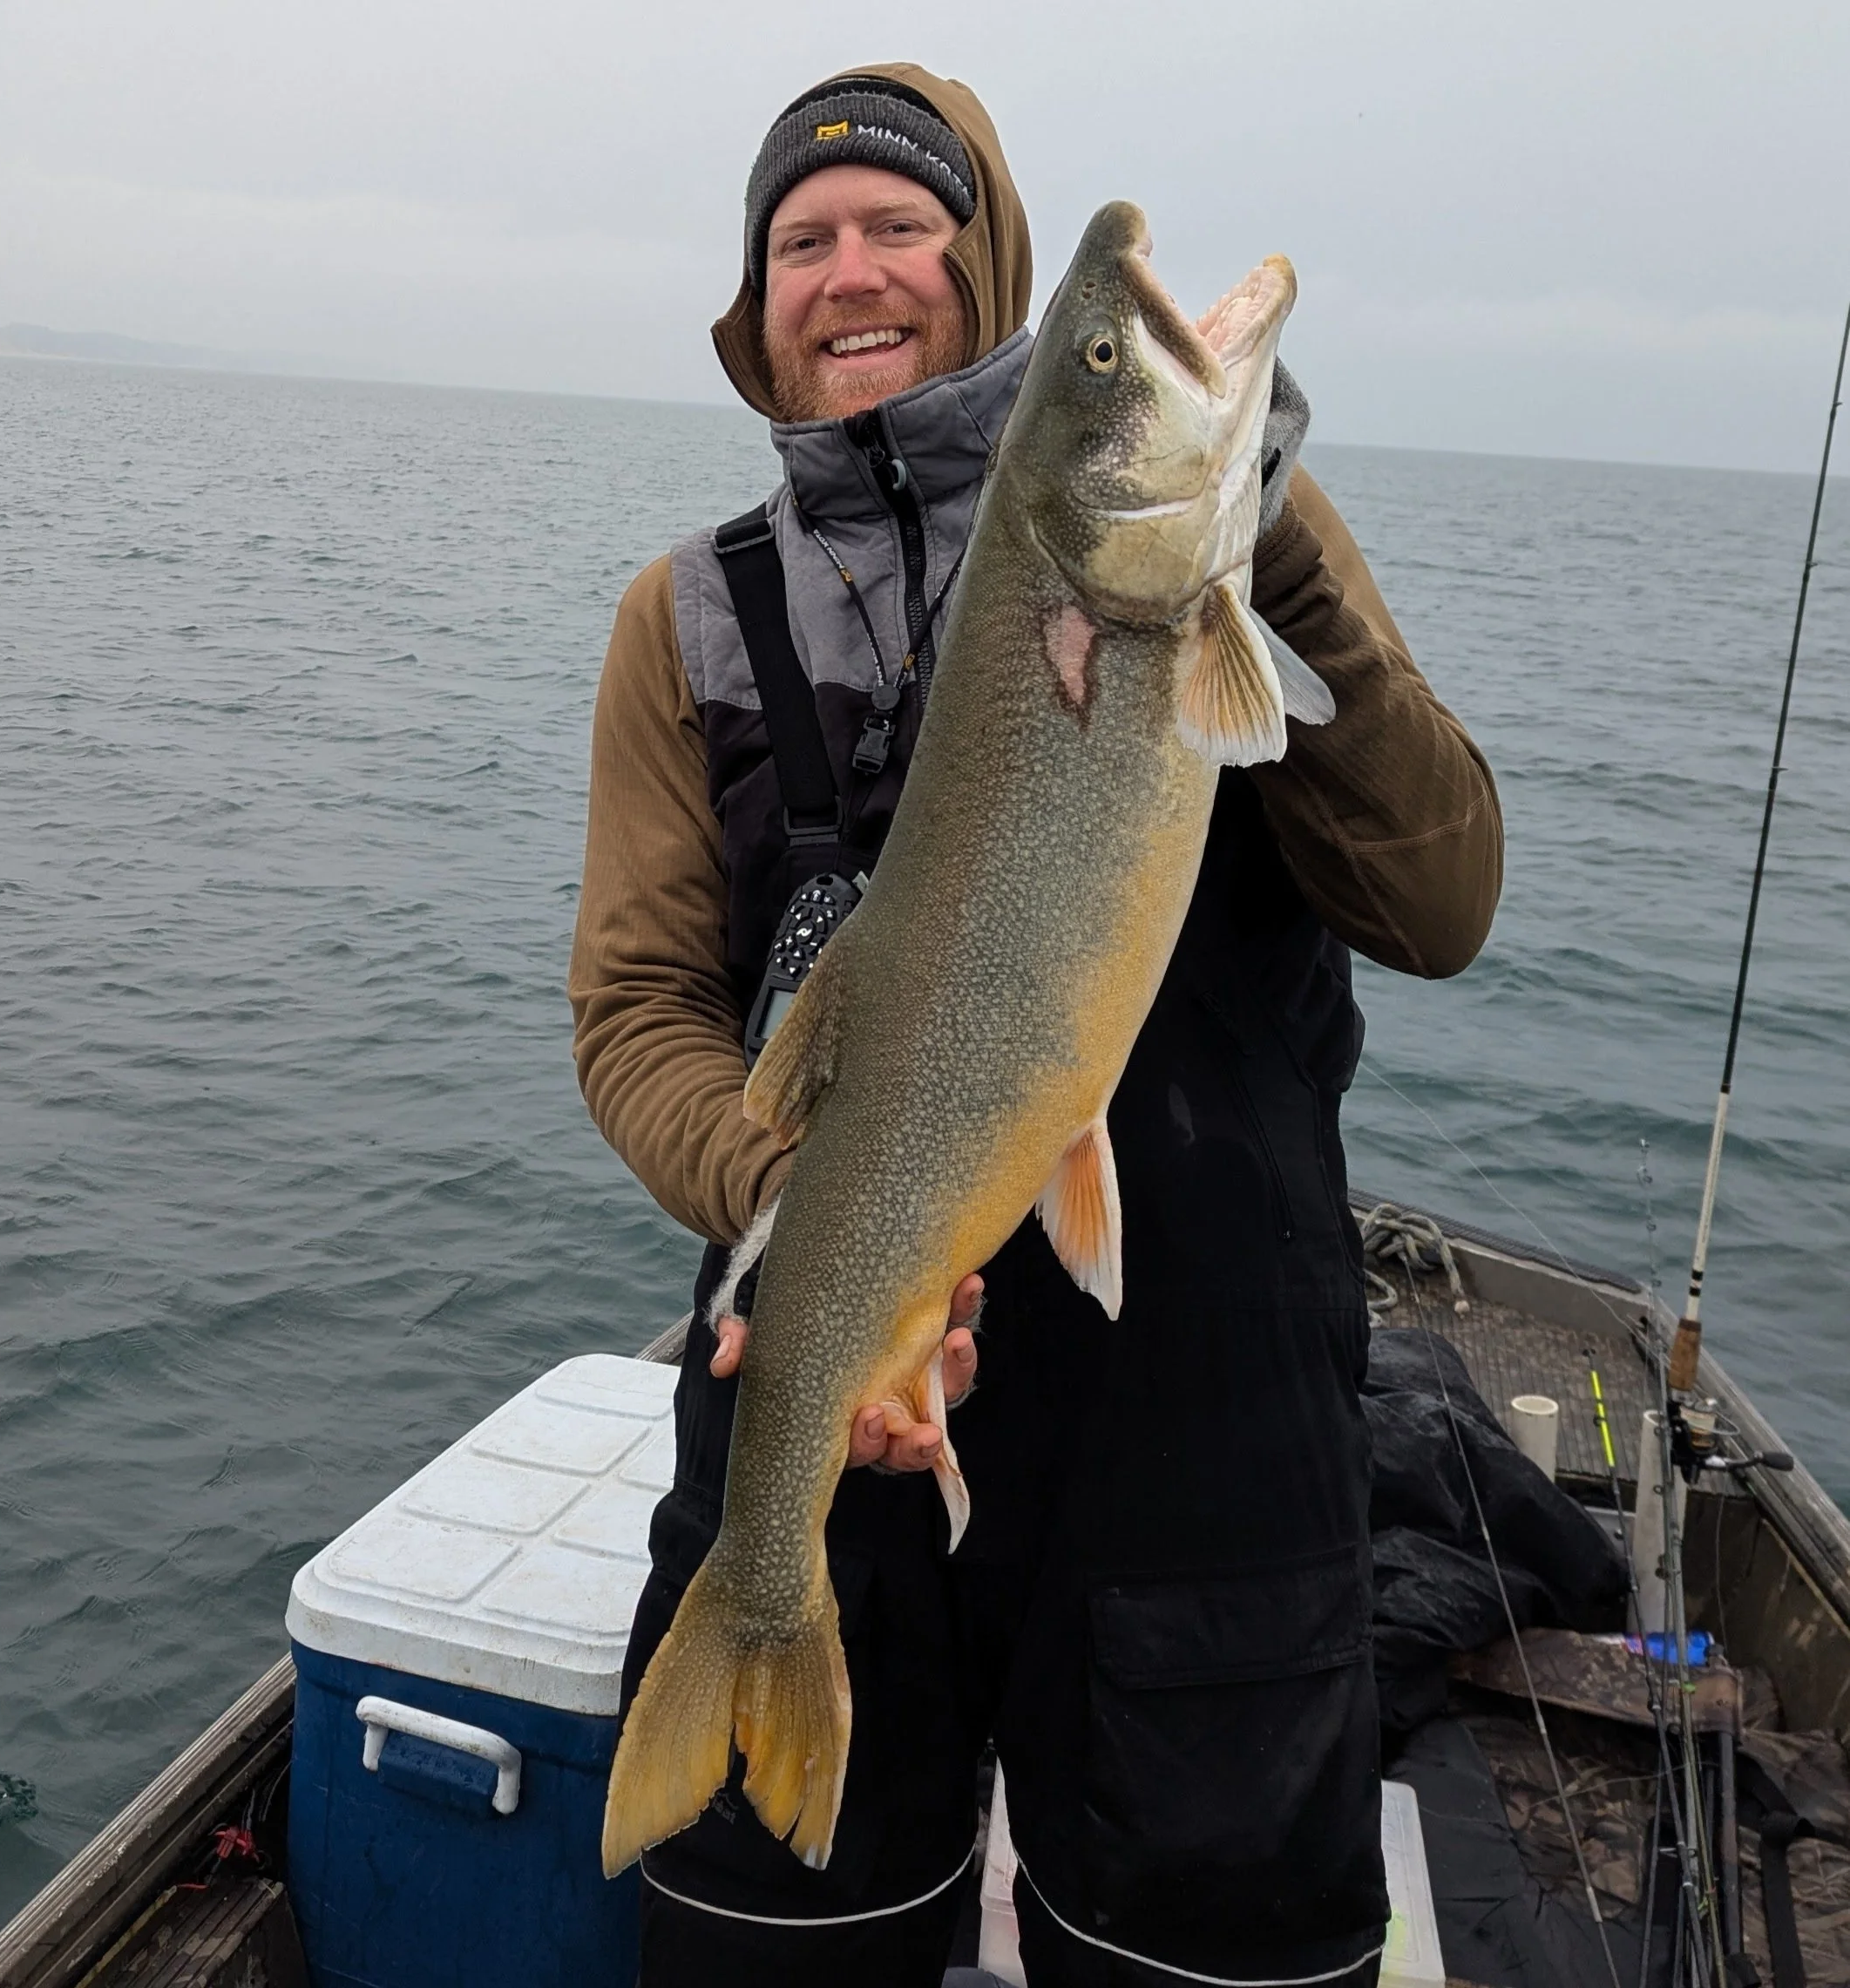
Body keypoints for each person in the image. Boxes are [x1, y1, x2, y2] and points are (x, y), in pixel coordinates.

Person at [569, 62, 1501, 1988]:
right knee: (768, 1954)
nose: (852, 270)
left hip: (1198, 1435)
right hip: (819, 1358)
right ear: (755, 307)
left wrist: (1277, 536)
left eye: (900, 223)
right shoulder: (690, 621)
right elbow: (636, 1005)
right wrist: (791, 1201)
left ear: (976, 262)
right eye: (801, 239)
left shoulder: (1221, 562)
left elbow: (1439, 900)